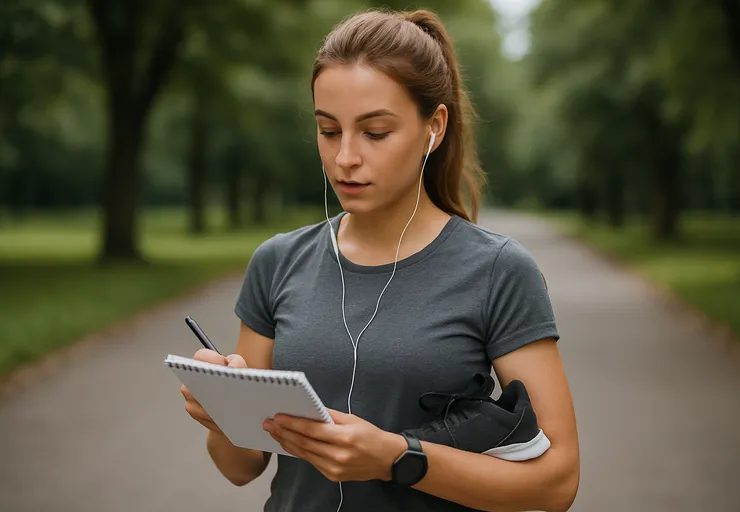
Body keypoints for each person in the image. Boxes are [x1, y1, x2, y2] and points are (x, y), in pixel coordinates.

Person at [181, 8, 579, 512]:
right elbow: (241, 468)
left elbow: (557, 482)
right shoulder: (277, 262)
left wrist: (397, 458)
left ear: (433, 127)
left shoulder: (498, 271)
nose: (346, 156)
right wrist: (225, 414)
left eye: (374, 132)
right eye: (329, 131)